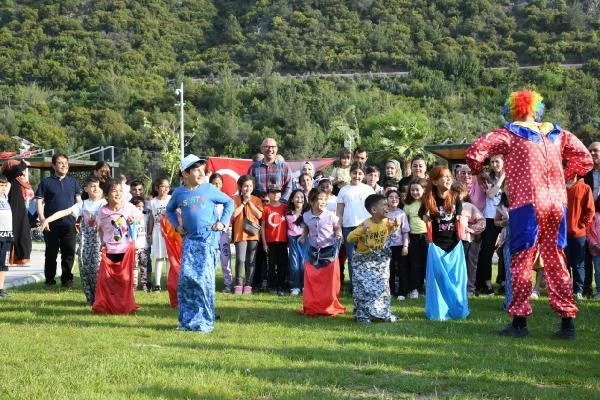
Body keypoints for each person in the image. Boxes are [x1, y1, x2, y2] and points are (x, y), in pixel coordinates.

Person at [466, 89, 593, 339]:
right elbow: (586, 160)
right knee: (556, 259)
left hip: (528, 203)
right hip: (557, 202)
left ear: (513, 110)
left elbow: (475, 152)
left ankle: (520, 322)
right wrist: (565, 176)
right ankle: (567, 324)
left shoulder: (510, 133)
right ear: (536, 109)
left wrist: (478, 171)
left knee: (522, 259)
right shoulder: (558, 133)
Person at [166, 155, 234, 332]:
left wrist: (222, 222)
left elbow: (229, 202)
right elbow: (169, 209)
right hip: (189, 241)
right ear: (185, 173)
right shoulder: (179, 193)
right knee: (187, 281)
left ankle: (205, 322)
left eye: (202, 169)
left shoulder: (209, 189)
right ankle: (187, 321)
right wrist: (177, 226)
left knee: (203, 282)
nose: (200, 172)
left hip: (208, 241)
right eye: (196, 169)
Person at [38, 176, 106, 305]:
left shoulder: (105, 204)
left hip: (100, 241)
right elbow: (65, 212)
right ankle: (90, 299)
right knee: (85, 269)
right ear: (86, 189)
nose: (96, 188)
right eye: (92, 186)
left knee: (98, 269)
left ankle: (101, 297)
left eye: (98, 186)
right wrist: (47, 219)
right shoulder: (83, 204)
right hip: (86, 242)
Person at [419, 166, 469, 321]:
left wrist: (460, 218)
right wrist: (425, 218)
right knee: (438, 281)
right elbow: (421, 213)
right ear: (434, 181)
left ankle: (457, 309)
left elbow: (459, 215)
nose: (448, 179)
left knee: (457, 279)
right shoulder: (429, 199)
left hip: (454, 245)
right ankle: (439, 311)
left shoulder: (455, 197)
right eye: (444, 176)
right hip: (436, 246)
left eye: (449, 176)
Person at [347, 194, 400, 323]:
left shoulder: (387, 222)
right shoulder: (365, 224)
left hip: (379, 261)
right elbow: (349, 238)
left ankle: (382, 313)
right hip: (363, 262)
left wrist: (396, 226)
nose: (387, 207)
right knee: (363, 288)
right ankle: (363, 315)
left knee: (382, 287)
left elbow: (392, 232)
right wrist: (361, 231)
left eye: (387, 205)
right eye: (384, 205)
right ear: (374, 210)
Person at [93, 178, 142, 314]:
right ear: (107, 195)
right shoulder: (102, 212)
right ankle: (109, 306)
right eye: (114, 191)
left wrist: (134, 219)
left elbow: (140, 217)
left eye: (120, 191)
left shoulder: (128, 207)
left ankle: (124, 306)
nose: (118, 194)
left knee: (125, 280)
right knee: (107, 281)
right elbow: (100, 229)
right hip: (110, 250)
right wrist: (103, 243)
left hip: (125, 250)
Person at [35, 153, 82, 289]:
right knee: (51, 253)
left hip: (69, 224)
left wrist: (79, 219)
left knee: (69, 253)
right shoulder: (46, 182)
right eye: (61, 163)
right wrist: (43, 219)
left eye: (66, 163)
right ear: (53, 165)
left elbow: (78, 202)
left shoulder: (73, 182)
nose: (64, 165)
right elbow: (39, 202)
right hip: (51, 225)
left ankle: (67, 280)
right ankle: (50, 281)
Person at [300, 188, 345, 316]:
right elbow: (307, 228)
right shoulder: (306, 216)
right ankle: (312, 305)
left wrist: (338, 234)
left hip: (329, 251)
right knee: (312, 279)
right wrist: (303, 236)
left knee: (328, 281)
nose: (323, 202)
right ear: (312, 201)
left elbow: (337, 227)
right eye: (320, 199)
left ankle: (328, 305)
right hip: (313, 251)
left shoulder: (330, 215)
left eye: (325, 199)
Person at [336, 162, 375, 290]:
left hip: (365, 227)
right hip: (348, 228)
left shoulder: (368, 189)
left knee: (366, 256)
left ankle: (367, 285)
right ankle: (355, 287)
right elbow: (339, 212)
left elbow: (374, 209)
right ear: (350, 173)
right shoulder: (344, 190)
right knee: (352, 258)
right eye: (354, 173)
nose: (357, 176)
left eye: (360, 173)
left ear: (363, 175)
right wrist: (338, 228)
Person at [475, 155, 505, 295]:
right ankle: (485, 282)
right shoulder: (487, 178)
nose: (494, 164)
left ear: (504, 162)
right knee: (487, 251)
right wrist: (500, 181)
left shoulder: (512, 177)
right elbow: (491, 195)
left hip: (506, 217)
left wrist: (504, 178)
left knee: (505, 251)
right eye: (492, 162)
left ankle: (504, 282)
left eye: (497, 161)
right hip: (490, 217)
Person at [452, 181, 486, 297]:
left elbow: (481, 221)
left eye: (459, 192)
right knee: (455, 264)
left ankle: (470, 288)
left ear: (464, 194)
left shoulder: (469, 207)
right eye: (454, 192)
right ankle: (456, 286)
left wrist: (472, 229)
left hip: (467, 239)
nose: (456, 195)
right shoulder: (448, 206)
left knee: (470, 264)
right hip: (452, 240)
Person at [231, 175, 263, 295]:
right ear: (240, 187)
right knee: (240, 259)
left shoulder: (256, 200)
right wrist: (244, 202)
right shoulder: (235, 199)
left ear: (253, 187)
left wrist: (250, 202)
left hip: (253, 234)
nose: (248, 188)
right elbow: (234, 215)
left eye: (250, 186)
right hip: (240, 234)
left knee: (251, 260)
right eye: (245, 186)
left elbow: (259, 215)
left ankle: (248, 285)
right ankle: (239, 284)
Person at [565, 174, 594, 301]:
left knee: (578, 264)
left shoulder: (585, 188)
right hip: (562, 234)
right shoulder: (560, 188)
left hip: (578, 234)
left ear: (577, 173)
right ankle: (565, 290)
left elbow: (590, 210)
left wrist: (581, 225)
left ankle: (578, 291)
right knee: (563, 264)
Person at [1, 160, 33, 266]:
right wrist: (23, 164)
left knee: (23, 233)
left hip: (19, 210)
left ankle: (21, 258)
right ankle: (11, 258)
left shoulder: (17, 179)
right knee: (12, 233)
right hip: (9, 210)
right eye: (15, 166)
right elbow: (16, 170)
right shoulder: (7, 176)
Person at [261, 184, 288, 295]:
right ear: (268, 194)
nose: (275, 194)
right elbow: (262, 226)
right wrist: (264, 243)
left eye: (277, 192)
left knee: (282, 264)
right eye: (272, 192)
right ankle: (272, 285)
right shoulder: (265, 208)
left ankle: (281, 285)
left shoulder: (285, 207)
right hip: (270, 242)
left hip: (282, 241)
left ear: (280, 193)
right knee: (271, 265)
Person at [403, 178, 428, 298]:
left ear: (424, 190)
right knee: (415, 263)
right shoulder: (408, 205)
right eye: (412, 190)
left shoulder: (428, 203)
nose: (414, 192)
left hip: (428, 236)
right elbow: (404, 223)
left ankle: (428, 288)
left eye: (417, 190)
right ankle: (415, 288)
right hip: (414, 236)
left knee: (428, 263)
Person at [209, 173, 233, 293]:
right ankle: (209, 283)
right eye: (214, 183)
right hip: (211, 234)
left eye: (219, 183)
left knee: (225, 259)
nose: (217, 186)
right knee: (211, 259)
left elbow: (228, 215)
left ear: (222, 184)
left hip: (223, 234)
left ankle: (228, 283)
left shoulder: (226, 198)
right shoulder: (207, 198)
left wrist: (223, 226)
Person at [248, 137, 293, 202]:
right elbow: (250, 188)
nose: (270, 149)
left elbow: (289, 187)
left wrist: (280, 203)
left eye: (273, 147)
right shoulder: (254, 167)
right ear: (261, 149)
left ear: (276, 149)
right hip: (259, 207)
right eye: (267, 147)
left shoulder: (284, 166)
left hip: (279, 207)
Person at [147, 177, 171, 292]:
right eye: (163, 186)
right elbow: (151, 218)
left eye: (167, 186)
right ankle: (156, 284)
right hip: (157, 231)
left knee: (169, 258)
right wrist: (149, 233)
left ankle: (170, 282)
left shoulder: (171, 200)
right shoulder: (153, 202)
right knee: (159, 257)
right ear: (157, 188)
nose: (165, 189)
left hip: (170, 232)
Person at [384, 190, 410, 299]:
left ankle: (402, 292)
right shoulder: (383, 213)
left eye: (396, 197)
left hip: (400, 245)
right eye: (391, 197)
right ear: (387, 199)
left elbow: (405, 231)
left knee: (402, 269)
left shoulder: (401, 213)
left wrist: (405, 246)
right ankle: (390, 291)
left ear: (399, 200)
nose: (394, 199)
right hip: (387, 246)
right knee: (389, 270)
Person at [583, 141, 600, 297]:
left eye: (596, 151)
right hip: (587, 220)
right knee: (586, 256)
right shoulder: (585, 174)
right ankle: (586, 289)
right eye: (590, 151)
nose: (593, 153)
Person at [285, 189, 307, 296]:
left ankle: (304, 285)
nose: (299, 199)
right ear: (292, 199)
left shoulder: (307, 212)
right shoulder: (288, 212)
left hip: (304, 238)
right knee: (294, 262)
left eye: (302, 197)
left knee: (304, 262)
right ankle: (295, 286)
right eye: (297, 197)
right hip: (293, 238)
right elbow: (290, 223)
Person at [130, 196, 150, 291]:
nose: (140, 208)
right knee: (134, 266)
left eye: (142, 206)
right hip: (134, 247)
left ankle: (144, 284)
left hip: (144, 246)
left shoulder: (146, 217)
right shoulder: (130, 218)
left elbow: (150, 228)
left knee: (144, 266)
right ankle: (134, 284)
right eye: (138, 206)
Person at [0, 175, 13, 298]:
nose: (3, 188)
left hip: (7, 235)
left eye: (4, 186)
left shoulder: (5, 197)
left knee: (3, 264)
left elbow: (9, 182)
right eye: (0, 186)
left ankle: (1, 289)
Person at [585, 195, 600, 300]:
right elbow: (588, 232)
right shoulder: (594, 216)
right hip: (596, 249)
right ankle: (599, 291)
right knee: (598, 271)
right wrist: (595, 245)